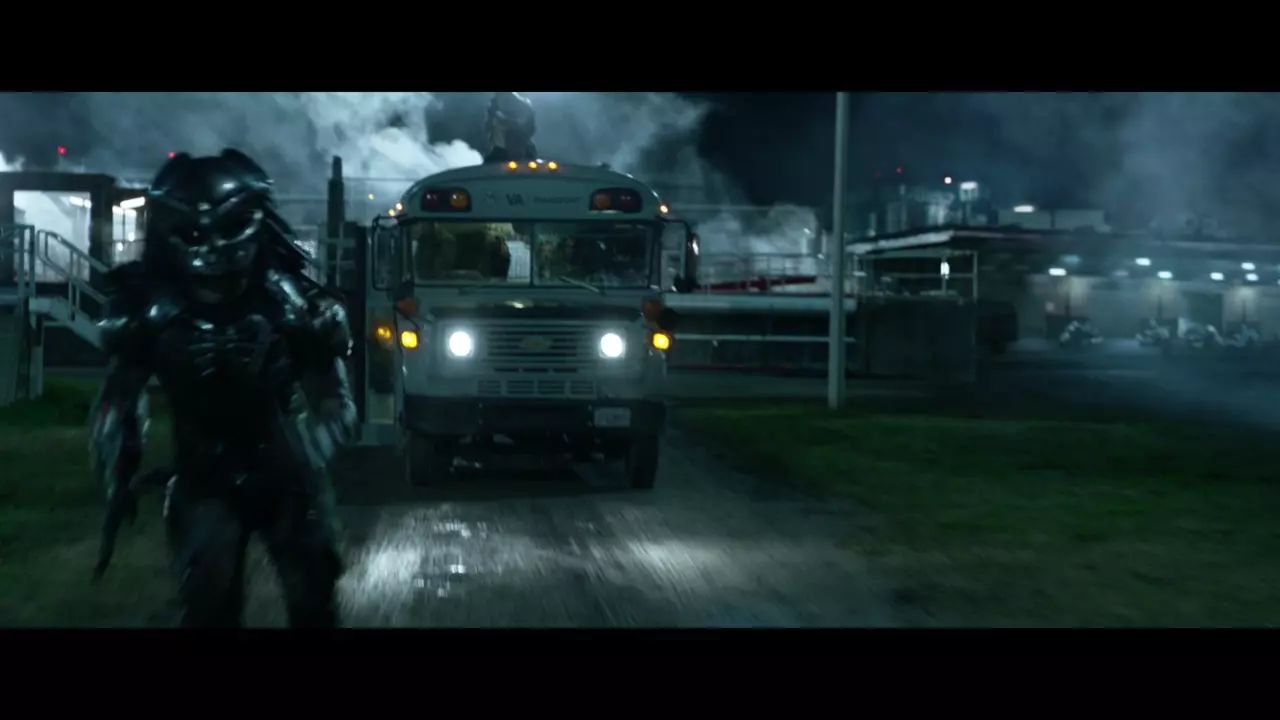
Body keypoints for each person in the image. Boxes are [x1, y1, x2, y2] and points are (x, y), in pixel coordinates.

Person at [89, 149, 355, 628]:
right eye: (195, 234)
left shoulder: (293, 305)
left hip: (286, 476)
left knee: (314, 600)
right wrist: (118, 470)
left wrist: (322, 439)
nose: (214, 249)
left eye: (229, 227)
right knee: (209, 607)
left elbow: (331, 393)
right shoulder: (149, 311)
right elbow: (118, 401)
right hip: (203, 478)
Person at [483, 92, 538, 164]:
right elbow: (487, 128)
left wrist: (502, 119)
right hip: (501, 151)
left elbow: (526, 126)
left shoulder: (523, 107)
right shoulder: (493, 107)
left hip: (521, 148)